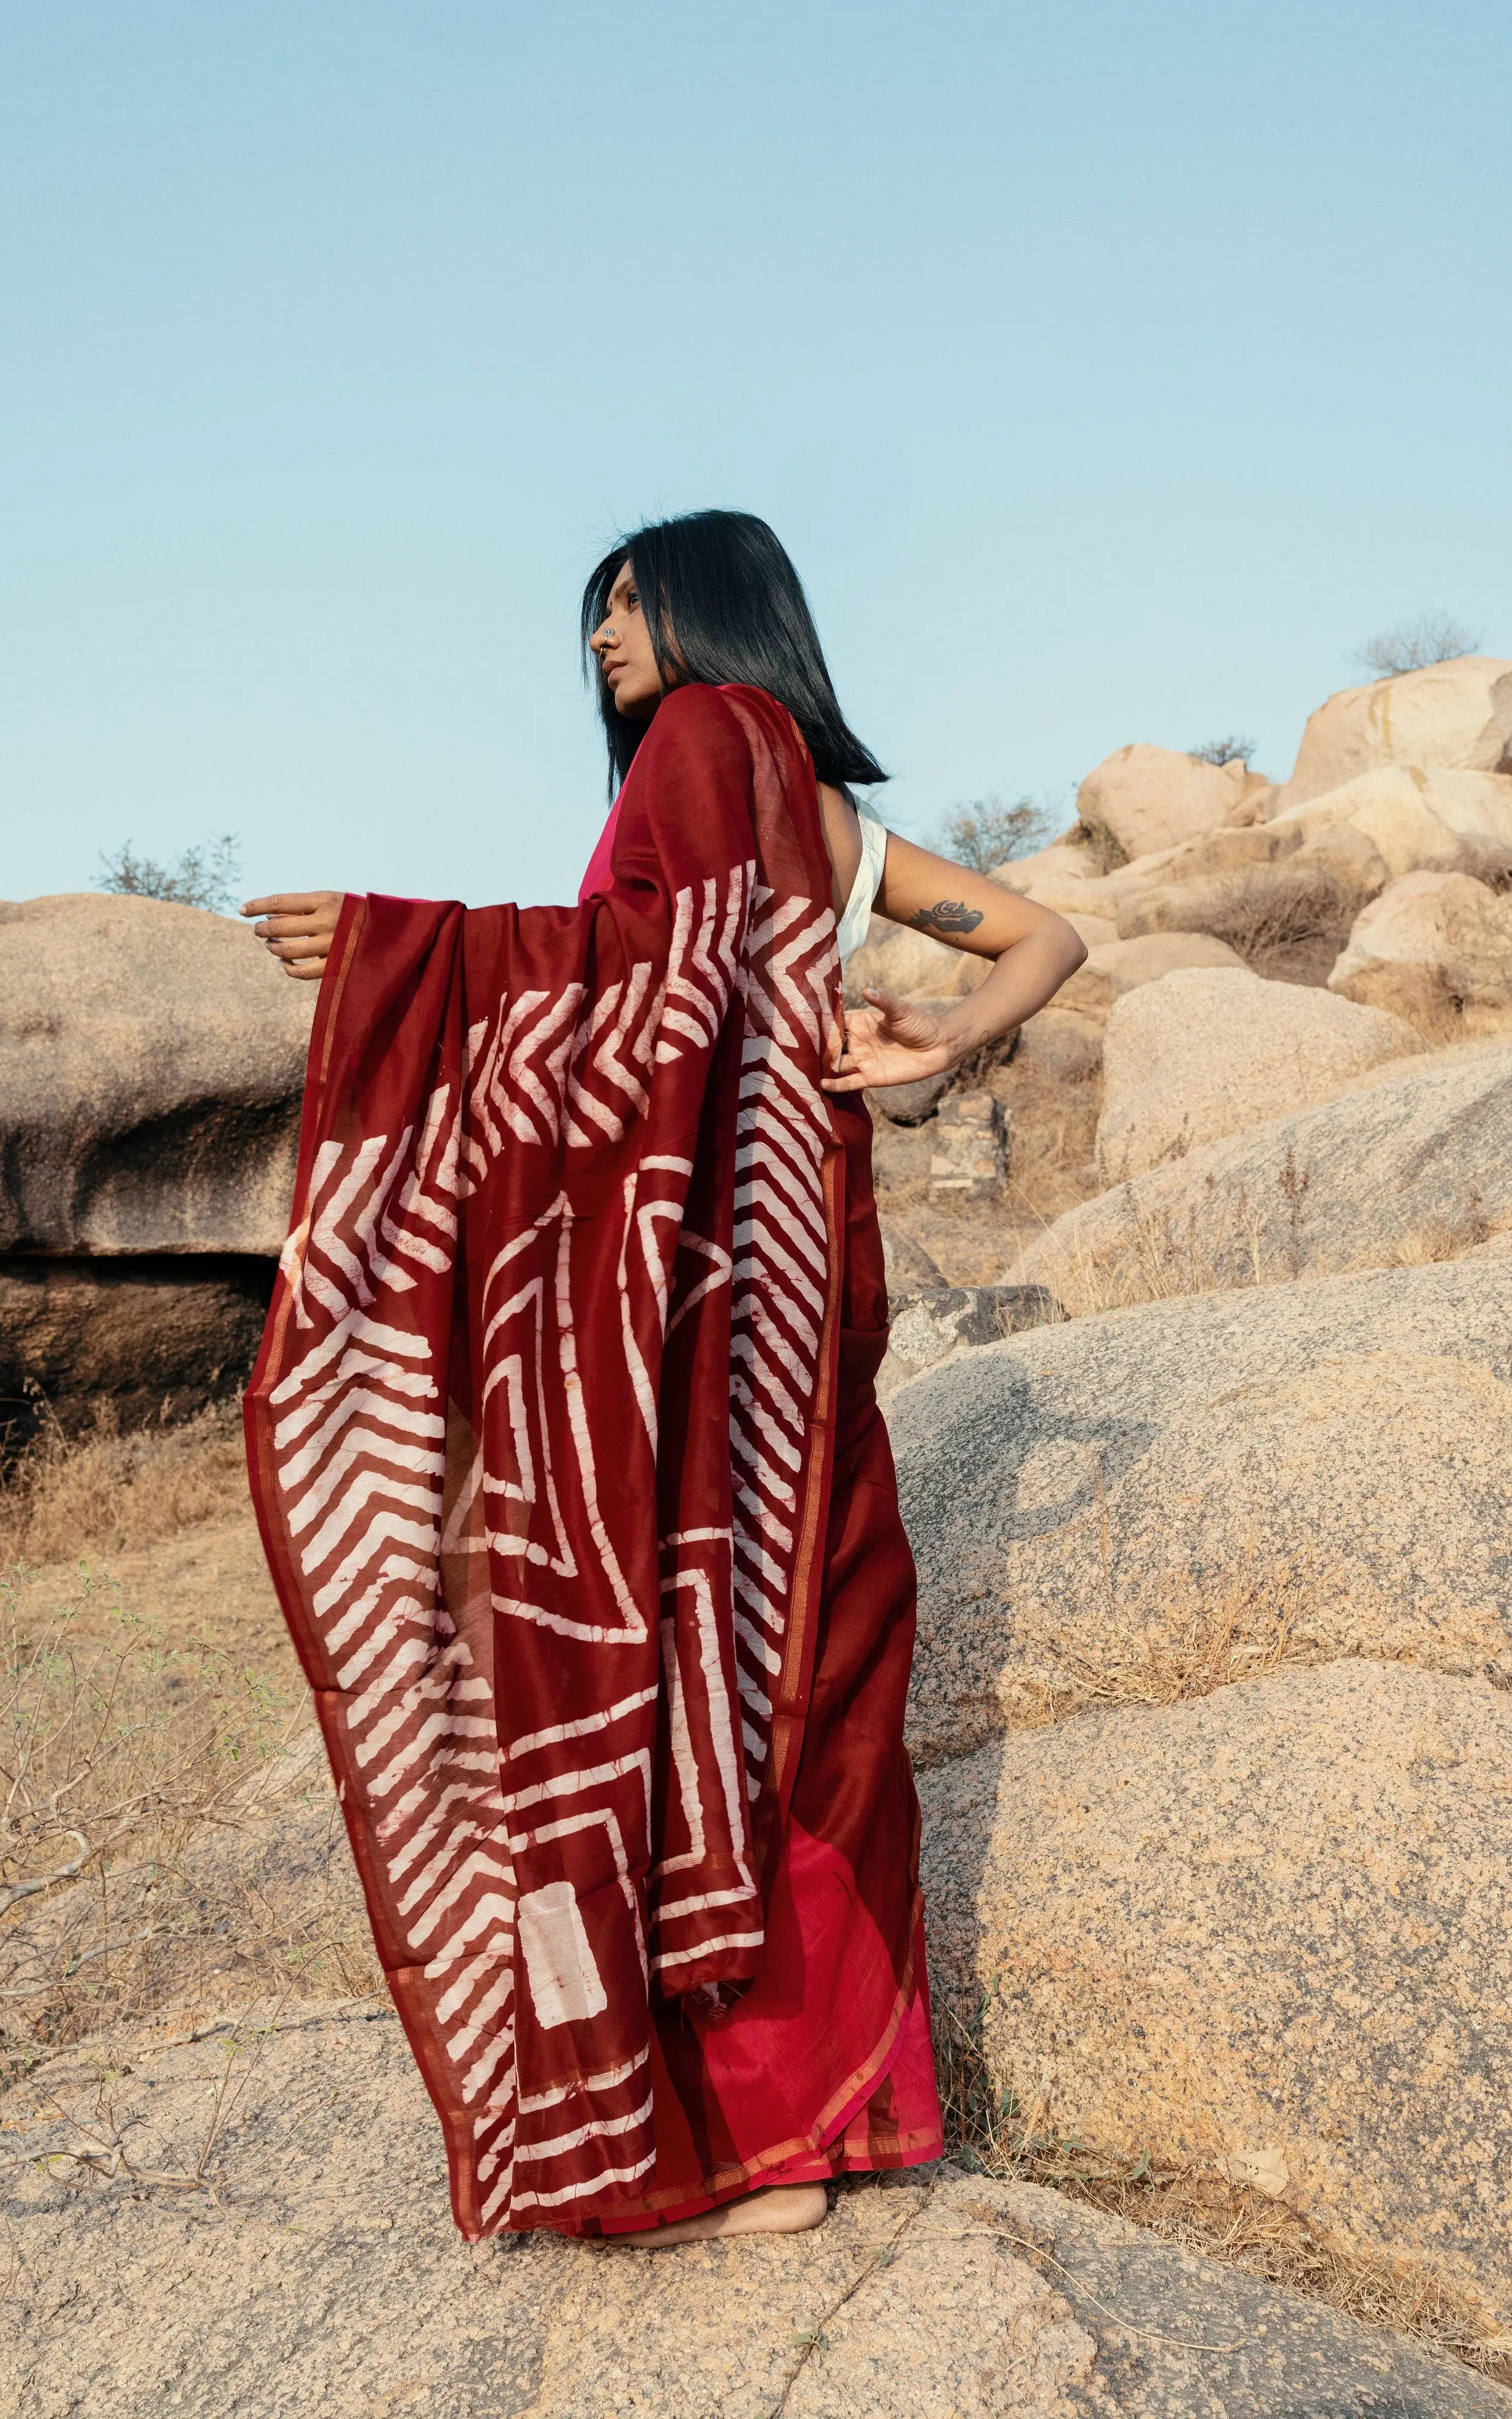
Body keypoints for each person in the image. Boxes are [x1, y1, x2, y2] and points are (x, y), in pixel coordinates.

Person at [241, 510, 1084, 2249]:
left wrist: (399, 948)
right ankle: (834, 2126)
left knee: (687, 1685)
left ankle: (743, 2139)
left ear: (709, 608)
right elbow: (1042, 936)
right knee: (811, 1692)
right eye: (595, 612)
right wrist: (938, 1038)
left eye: (626, 600)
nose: (604, 632)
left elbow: (621, 988)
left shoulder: (706, 751)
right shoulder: (825, 818)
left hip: (692, 1333)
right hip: (790, 1329)